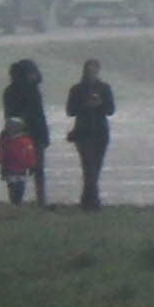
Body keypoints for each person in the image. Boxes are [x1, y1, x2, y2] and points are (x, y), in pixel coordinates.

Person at [63, 58, 118, 207]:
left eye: (94, 71)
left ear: (98, 71)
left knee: (95, 168)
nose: (91, 74)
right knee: (89, 167)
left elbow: (111, 110)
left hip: (100, 132)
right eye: (89, 71)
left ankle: (88, 201)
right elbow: (70, 111)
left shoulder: (105, 88)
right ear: (84, 71)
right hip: (82, 132)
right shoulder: (76, 90)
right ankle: (92, 201)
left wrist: (101, 103)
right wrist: (85, 105)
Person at [0, 53, 52, 206]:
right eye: (33, 73)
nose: (36, 76)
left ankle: (26, 200)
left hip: (26, 135)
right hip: (22, 136)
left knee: (24, 169)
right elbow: (35, 115)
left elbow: (38, 115)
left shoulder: (16, 91)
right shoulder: (19, 92)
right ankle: (32, 200)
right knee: (24, 169)